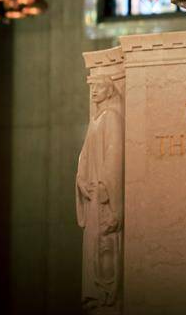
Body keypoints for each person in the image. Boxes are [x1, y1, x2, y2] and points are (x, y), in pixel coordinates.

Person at [76, 76, 124, 312]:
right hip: (93, 193)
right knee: (94, 247)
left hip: (103, 195)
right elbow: (84, 157)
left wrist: (106, 188)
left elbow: (114, 158)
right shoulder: (96, 121)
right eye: (92, 87)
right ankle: (95, 295)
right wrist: (82, 181)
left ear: (109, 91)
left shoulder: (112, 118)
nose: (94, 91)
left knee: (104, 247)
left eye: (99, 87)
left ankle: (106, 295)